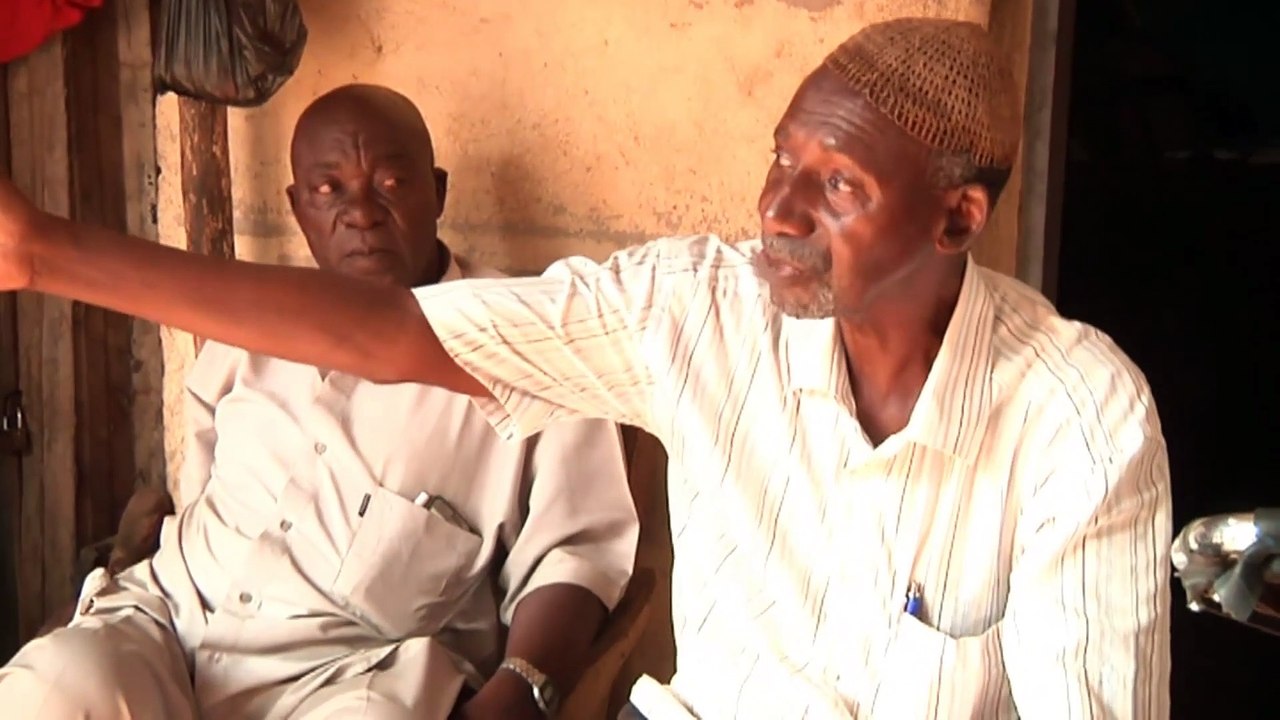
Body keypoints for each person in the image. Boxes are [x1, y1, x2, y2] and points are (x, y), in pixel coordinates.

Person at [0, 17, 1172, 719]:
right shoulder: (697, 312)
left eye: (838, 188)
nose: (774, 209)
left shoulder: (1077, 422)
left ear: (955, 220)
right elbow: (393, 334)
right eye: (779, 161)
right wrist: (45, 253)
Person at [0, 84, 639, 720]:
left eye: (390, 182)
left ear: (437, 192)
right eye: (328, 190)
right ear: (298, 208)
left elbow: (577, 555)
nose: (360, 212)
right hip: (171, 623)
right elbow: (199, 481)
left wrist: (520, 690)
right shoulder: (251, 324)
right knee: (50, 690)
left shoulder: (529, 340)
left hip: (350, 675)